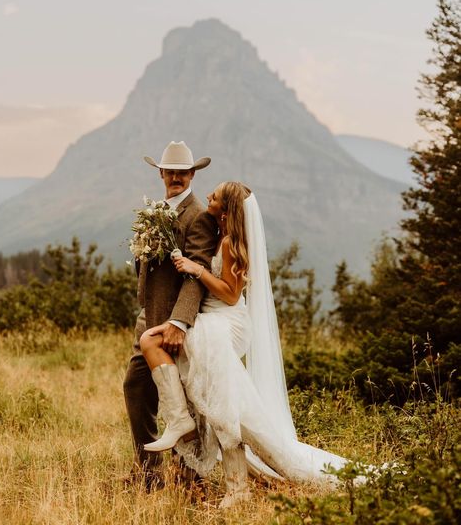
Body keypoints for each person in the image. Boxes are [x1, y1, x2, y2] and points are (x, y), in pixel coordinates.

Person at [140, 182, 350, 509]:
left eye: (215, 196)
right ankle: (183, 422)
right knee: (164, 350)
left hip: (227, 322)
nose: (208, 196)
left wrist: (197, 269)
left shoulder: (230, 243)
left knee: (219, 400)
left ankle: (237, 487)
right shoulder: (216, 234)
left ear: (226, 209)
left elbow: (230, 294)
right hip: (210, 321)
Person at [122, 140, 217, 488]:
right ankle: (149, 471)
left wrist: (179, 322)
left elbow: (198, 273)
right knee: (136, 387)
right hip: (148, 317)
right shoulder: (156, 209)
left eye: (182, 172)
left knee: (184, 398)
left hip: (176, 321)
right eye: (170, 172)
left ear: (192, 174)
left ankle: (189, 474)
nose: (175, 177)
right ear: (161, 173)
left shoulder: (200, 217)